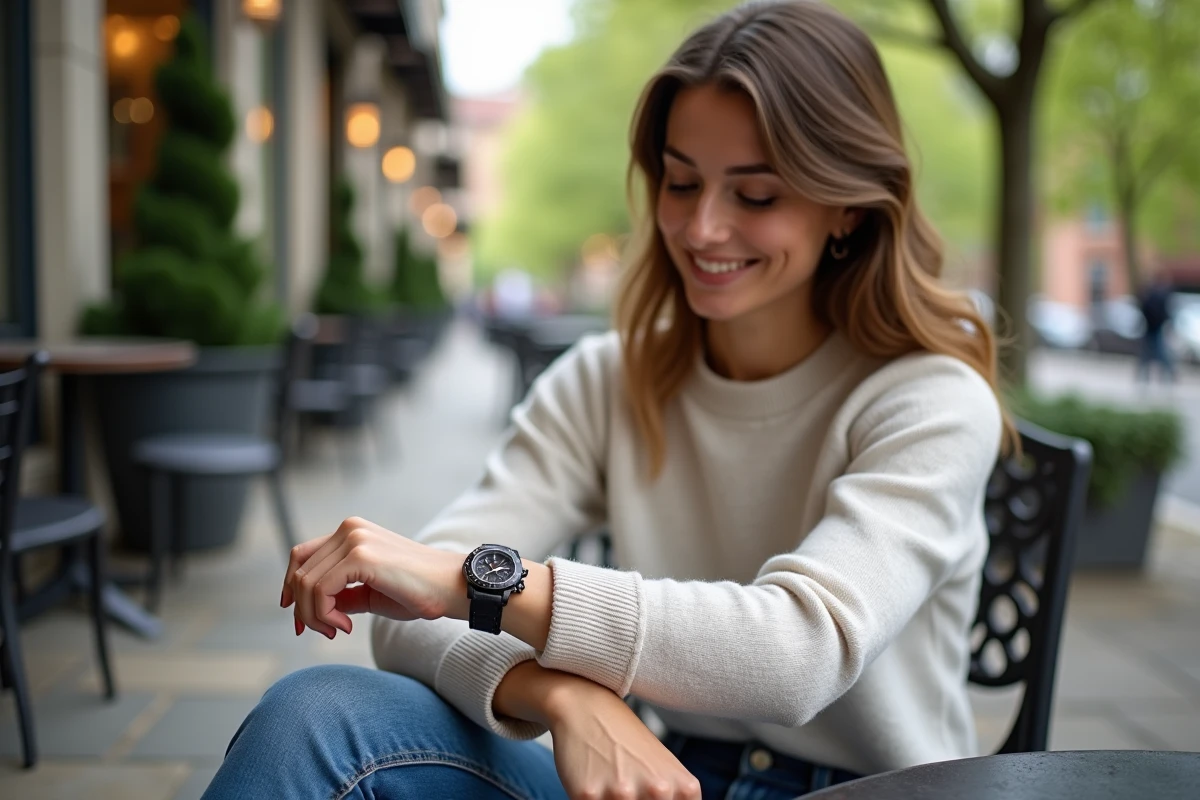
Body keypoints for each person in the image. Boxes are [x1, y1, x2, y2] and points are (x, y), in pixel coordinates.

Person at [203, 2, 1013, 798]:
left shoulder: (929, 400)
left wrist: (478, 584)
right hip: (659, 773)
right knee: (316, 714)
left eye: (755, 195)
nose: (700, 228)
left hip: (869, 788)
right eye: (680, 181)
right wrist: (564, 694)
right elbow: (408, 615)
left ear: (848, 206)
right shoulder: (610, 379)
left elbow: (799, 652)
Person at [1136, 270, 1176, 384]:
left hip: (1151, 327)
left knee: (1150, 354)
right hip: (1156, 327)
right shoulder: (1162, 293)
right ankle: (1167, 375)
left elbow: (1143, 308)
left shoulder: (1151, 293)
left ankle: (1145, 377)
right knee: (1160, 354)